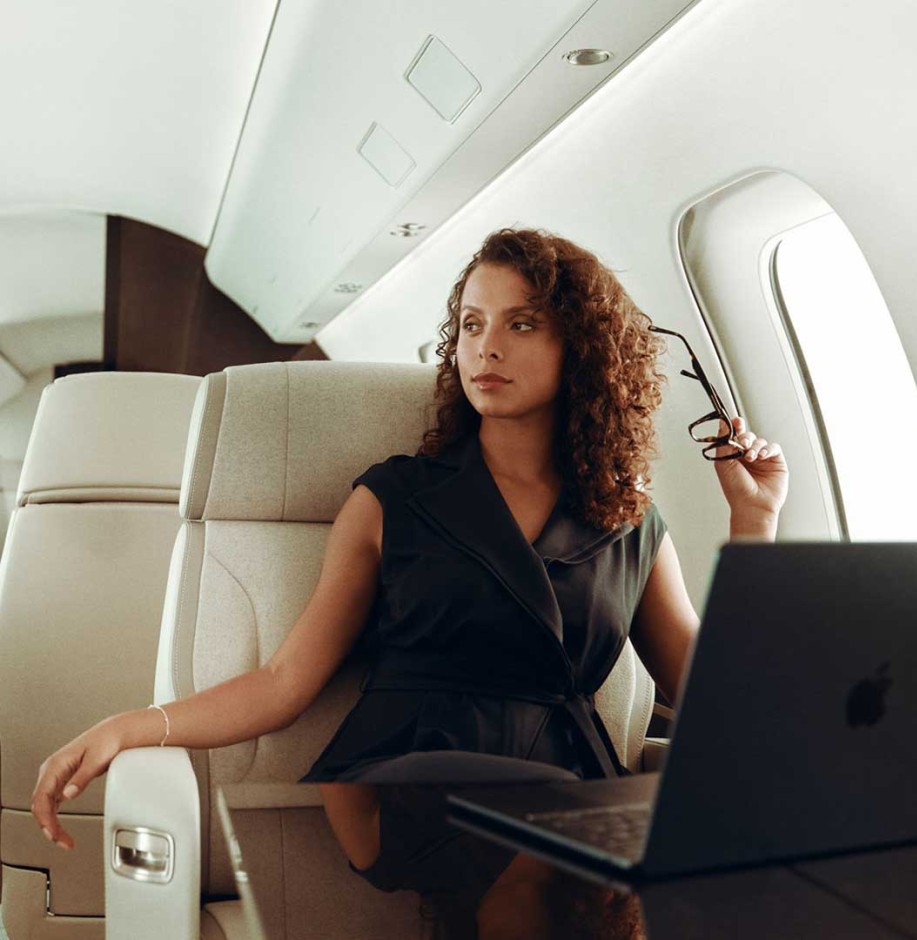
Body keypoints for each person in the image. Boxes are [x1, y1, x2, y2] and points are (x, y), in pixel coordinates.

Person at [31, 228, 788, 935]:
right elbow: (286, 680)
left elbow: (712, 694)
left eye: (521, 324)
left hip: (567, 779)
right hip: (410, 770)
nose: (485, 347)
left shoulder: (631, 522)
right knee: (548, 854)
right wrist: (133, 724)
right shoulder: (393, 500)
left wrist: (753, 525)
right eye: (471, 324)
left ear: (583, 350)